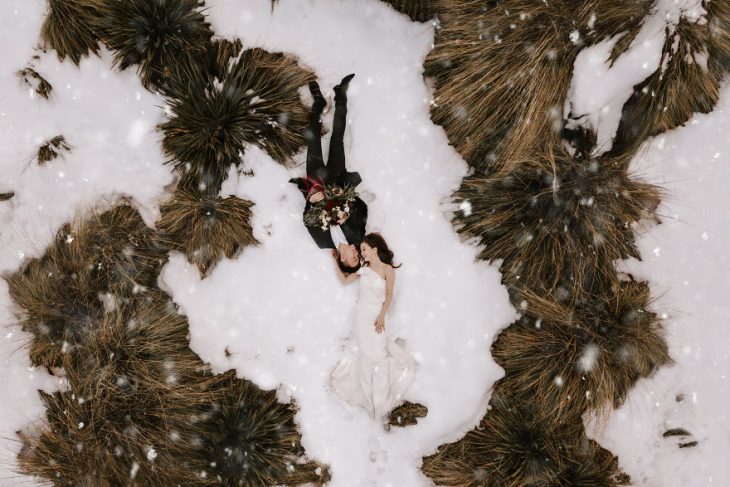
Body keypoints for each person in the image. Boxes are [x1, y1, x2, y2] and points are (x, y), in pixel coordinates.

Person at [329, 233, 416, 423]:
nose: (362, 253)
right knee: (367, 356)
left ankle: (382, 401)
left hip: (378, 315)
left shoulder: (387, 270)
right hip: (362, 315)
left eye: (364, 250)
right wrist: (336, 261)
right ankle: (369, 401)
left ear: (374, 250)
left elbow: (390, 295)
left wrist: (382, 316)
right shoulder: (364, 268)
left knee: (379, 356)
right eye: (361, 250)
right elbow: (345, 281)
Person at [289, 74, 367, 274]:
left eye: (353, 259)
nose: (356, 255)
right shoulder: (357, 235)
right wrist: (345, 203)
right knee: (337, 137)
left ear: (342, 258)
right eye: (358, 257)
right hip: (337, 177)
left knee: (313, 139)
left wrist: (313, 200)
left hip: (316, 181)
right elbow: (362, 207)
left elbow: (307, 219)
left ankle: (318, 103)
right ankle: (341, 94)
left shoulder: (322, 242)